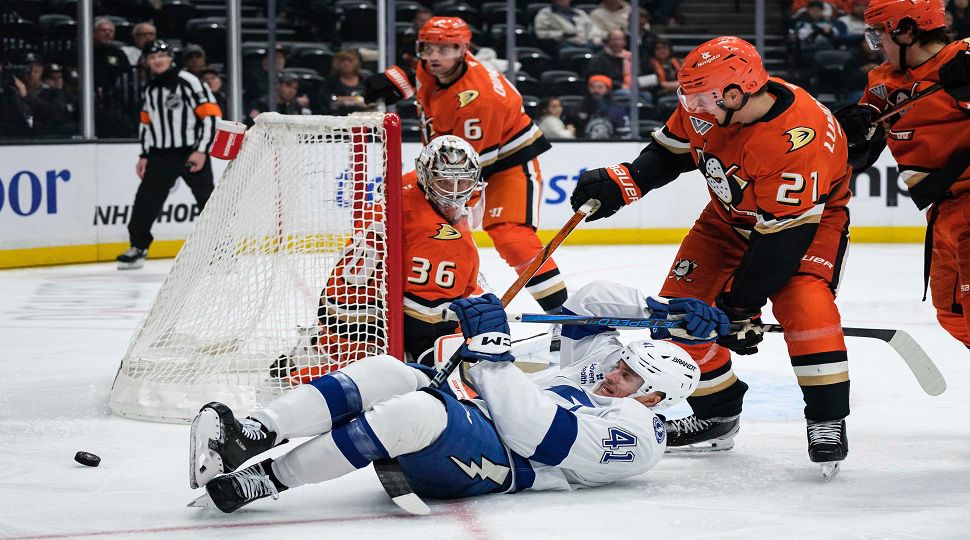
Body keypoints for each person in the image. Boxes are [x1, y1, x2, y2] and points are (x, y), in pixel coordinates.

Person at [568, 36, 853, 477]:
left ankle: (826, 417)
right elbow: (669, 152)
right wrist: (625, 182)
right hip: (725, 221)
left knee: (804, 305)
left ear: (737, 93)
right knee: (678, 317)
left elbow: (780, 242)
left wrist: (737, 308)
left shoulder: (797, 139)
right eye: (689, 96)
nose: (691, 106)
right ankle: (718, 412)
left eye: (700, 98)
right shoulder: (713, 98)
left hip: (806, 227)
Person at [187, 285, 725, 513]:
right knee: (388, 371)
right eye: (621, 363)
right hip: (480, 420)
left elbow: (531, 432)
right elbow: (586, 304)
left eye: (630, 377)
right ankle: (250, 434)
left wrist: (493, 354)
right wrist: (660, 309)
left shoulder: (635, 438)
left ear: (655, 397)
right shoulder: (609, 370)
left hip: (499, 464)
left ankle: (266, 481)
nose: (613, 374)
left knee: (417, 411)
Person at [364, 17, 567, 313]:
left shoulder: (479, 100)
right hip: (452, 162)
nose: (434, 57)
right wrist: (395, 80)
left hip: (505, 163)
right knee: (401, 207)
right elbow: (420, 80)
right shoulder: (434, 67)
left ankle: (563, 317)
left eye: (444, 49)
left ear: (463, 49)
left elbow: (465, 174)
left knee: (511, 235)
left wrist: (451, 217)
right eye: (428, 48)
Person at [279, 135, 484, 381]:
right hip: (372, 322)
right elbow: (425, 321)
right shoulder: (435, 237)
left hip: (343, 303)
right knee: (401, 378)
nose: (453, 192)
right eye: (444, 181)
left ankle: (317, 347)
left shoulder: (405, 187)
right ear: (426, 176)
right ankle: (315, 367)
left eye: (462, 182)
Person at [839, 0, 970, 347]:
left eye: (878, 33)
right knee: (953, 314)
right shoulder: (882, 80)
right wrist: (851, 127)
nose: (876, 44)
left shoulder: (964, 60)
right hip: (942, 211)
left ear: (906, 30)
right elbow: (861, 149)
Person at [117, 40, 222, 269]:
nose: (157, 60)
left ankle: (221, 248)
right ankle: (138, 247)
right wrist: (144, 154)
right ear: (146, 62)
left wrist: (201, 150)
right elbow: (146, 124)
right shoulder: (150, 89)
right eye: (152, 57)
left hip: (190, 152)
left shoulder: (189, 82)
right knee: (146, 200)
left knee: (208, 201)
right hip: (161, 154)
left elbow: (211, 116)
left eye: (161, 55)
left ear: (170, 58)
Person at [246, 72, 313, 125]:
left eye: (295, 88)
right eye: (288, 86)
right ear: (278, 86)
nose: (291, 91)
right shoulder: (261, 104)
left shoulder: (294, 105)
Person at [533, 0, 607, 48]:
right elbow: (541, 33)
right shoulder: (545, 14)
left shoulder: (580, 13)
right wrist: (562, 34)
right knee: (568, 50)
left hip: (586, 43)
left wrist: (596, 39)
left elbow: (592, 29)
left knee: (603, 48)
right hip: (563, 43)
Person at [326, 50, 367, 116]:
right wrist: (356, 100)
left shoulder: (364, 80)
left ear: (356, 63)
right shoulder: (330, 81)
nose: (346, 63)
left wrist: (341, 99)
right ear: (337, 64)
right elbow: (328, 100)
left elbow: (370, 101)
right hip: (336, 117)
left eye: (350, 61)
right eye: (342, 61)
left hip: (361, 117)